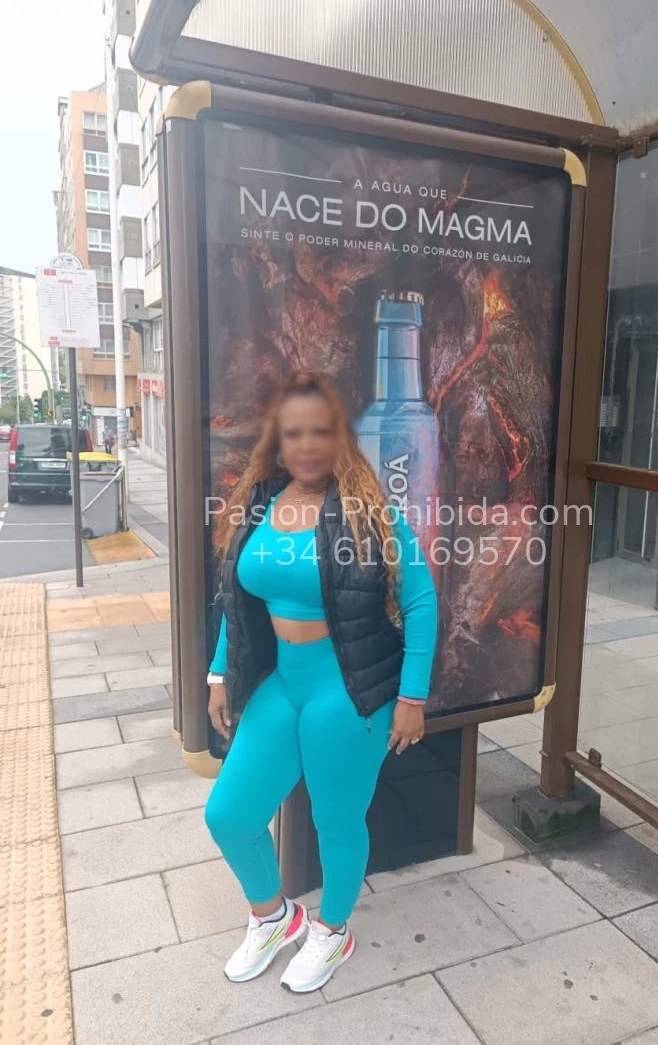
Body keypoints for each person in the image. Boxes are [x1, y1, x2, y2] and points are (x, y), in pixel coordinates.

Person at [205, 369, 437, 993]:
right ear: (278, 443)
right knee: (229, 814)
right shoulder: (261, 504)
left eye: (321, 432)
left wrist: (412, 697)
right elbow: (238, 604)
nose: (308, 445)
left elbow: (420, 601)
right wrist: (220, 671)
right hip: (283, 682)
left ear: (340, 439)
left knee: (336, 820)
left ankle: (332, 931)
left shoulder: (370, 512)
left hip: (349, 688)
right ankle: (273, 917)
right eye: (294, 433)